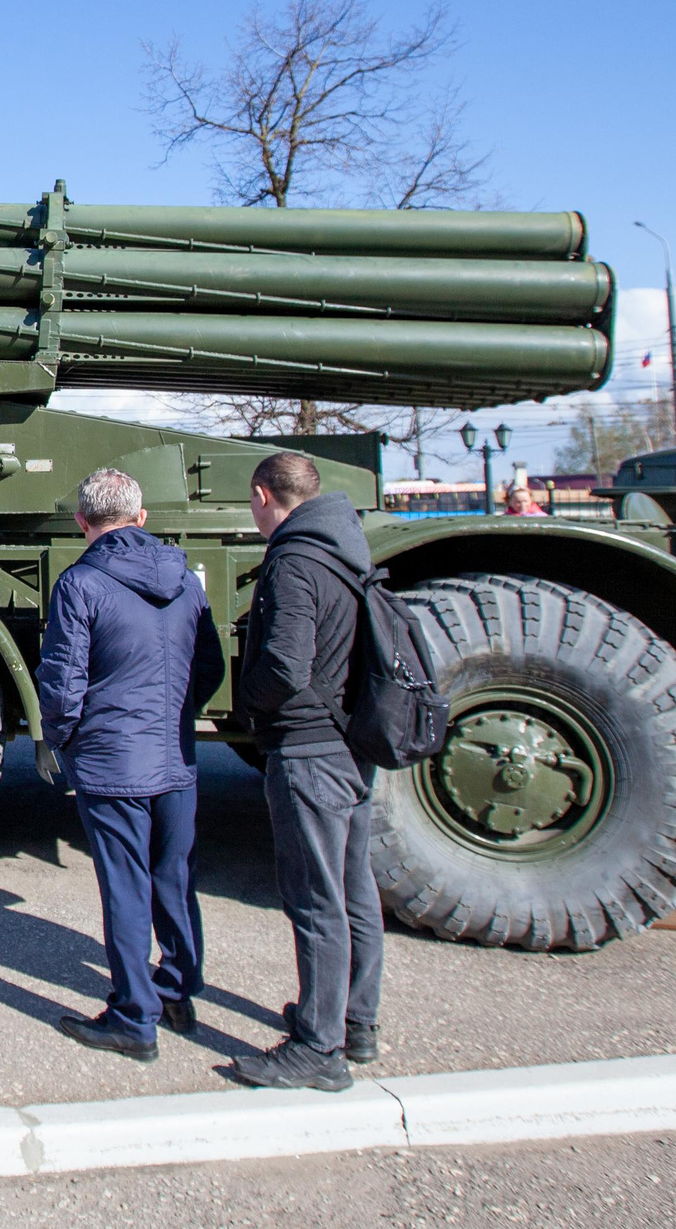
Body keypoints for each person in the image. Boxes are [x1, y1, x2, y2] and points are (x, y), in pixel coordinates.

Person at [39, 466, 225, 1063]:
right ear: (142, 518)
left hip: (112, 760)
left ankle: (132, 1019)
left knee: (125, 885)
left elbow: (63, 684)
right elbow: (210, 667)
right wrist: (177, 717)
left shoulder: (79, 583)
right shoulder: (185, 578)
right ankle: (177, 992)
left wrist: (65, 742)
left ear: (81, 522)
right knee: (174, 875)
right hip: (175, 756)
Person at [235, 449, 383, 1092]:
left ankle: (318, 1051)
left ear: (264, 495)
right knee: (354, 894)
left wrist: (249, 705)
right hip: (349, 746)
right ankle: (355, 1024)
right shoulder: (345, 550)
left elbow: (285, 666)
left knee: (315, 901)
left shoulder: (294, 560)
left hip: (308, 751)